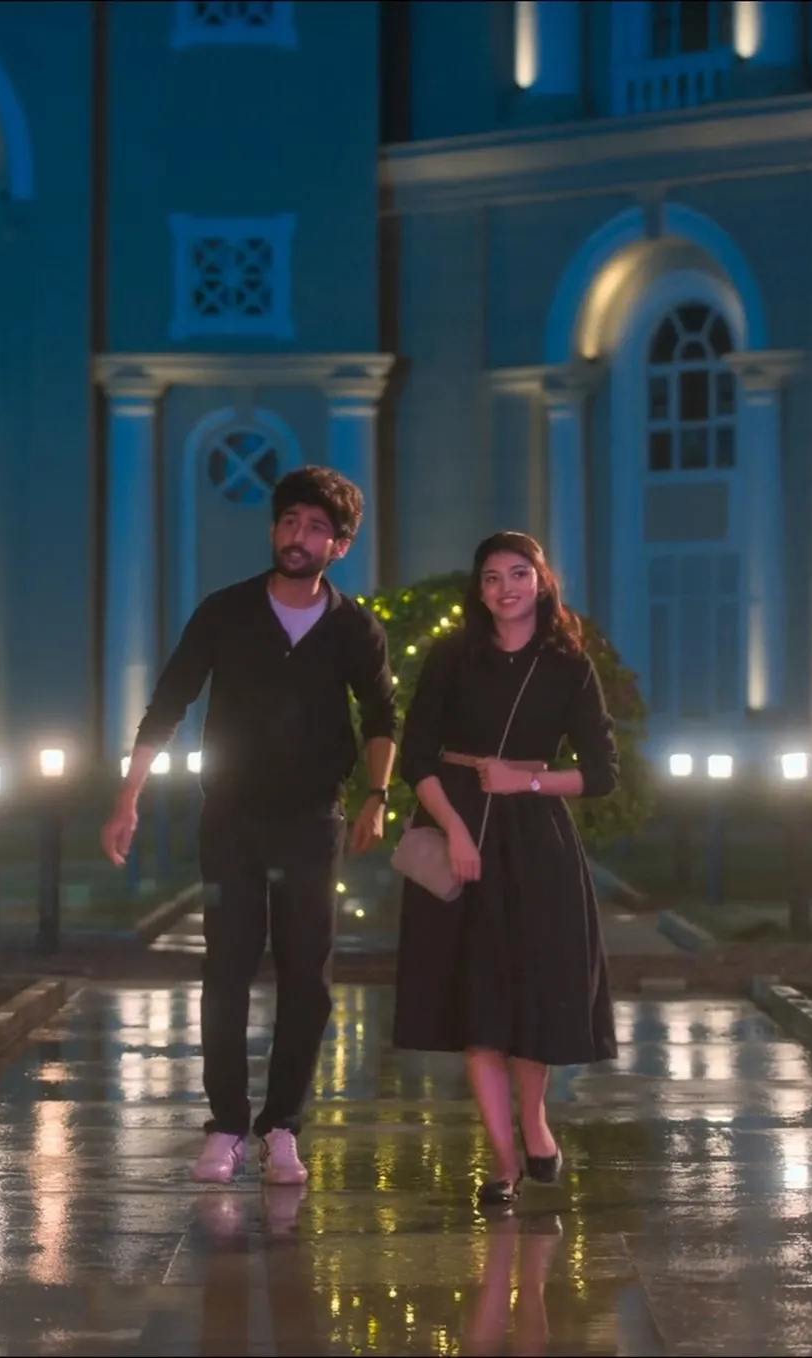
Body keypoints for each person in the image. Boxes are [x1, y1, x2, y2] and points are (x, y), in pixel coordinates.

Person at [103, 465, 396, 1188]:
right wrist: (128, 797)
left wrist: (377, 796)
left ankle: (283, 1127)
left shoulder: (354, 627)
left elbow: (381, 716)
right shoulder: (226, 612)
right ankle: (228, 1126)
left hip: (312, 821)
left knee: (307, 977)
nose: (299, 537)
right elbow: (168, 703)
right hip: (231, 818)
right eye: (289, 521)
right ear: (273, 529)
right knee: (227, 969)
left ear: (339, 546)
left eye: (317, 528)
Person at [392, 530, 619, 1207]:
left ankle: (535, 1121)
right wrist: (456, 829)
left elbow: (602, 773)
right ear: (479, 588)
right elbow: (416, 757)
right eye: (492, 577)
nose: (505, 588)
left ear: (542, 581)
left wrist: (527, 783)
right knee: (479, 1005)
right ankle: (501, 1158)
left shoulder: (568, 664)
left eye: (519, 574)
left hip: (537, 842)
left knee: (531, 997)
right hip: (458, 825)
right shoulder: (452, 656)